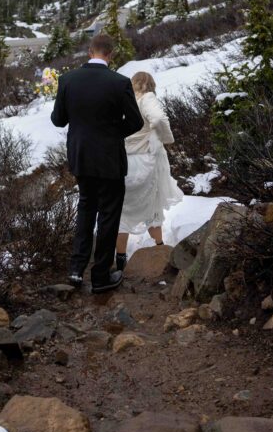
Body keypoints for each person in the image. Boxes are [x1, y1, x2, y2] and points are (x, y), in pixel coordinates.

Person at [50, 33, 143, 293]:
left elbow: (58, 120)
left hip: (80, 156)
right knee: (109, 215)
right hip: (110, 159)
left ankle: (76, 270)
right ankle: (100, 276)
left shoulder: (68, 80)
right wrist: (112, 134)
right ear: (110, 54)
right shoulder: (120, 82)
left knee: (86, 208)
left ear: (90, 52)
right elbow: (136, 121)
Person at [115, 71, 183, 269]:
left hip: (124, 161)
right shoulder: (147, 98)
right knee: (153, 206)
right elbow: (159, 119)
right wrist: (167, 138)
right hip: (145, 161)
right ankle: (160, 249)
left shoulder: (122, 102)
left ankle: (120, 258)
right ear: (150, 85)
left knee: (122, 210)